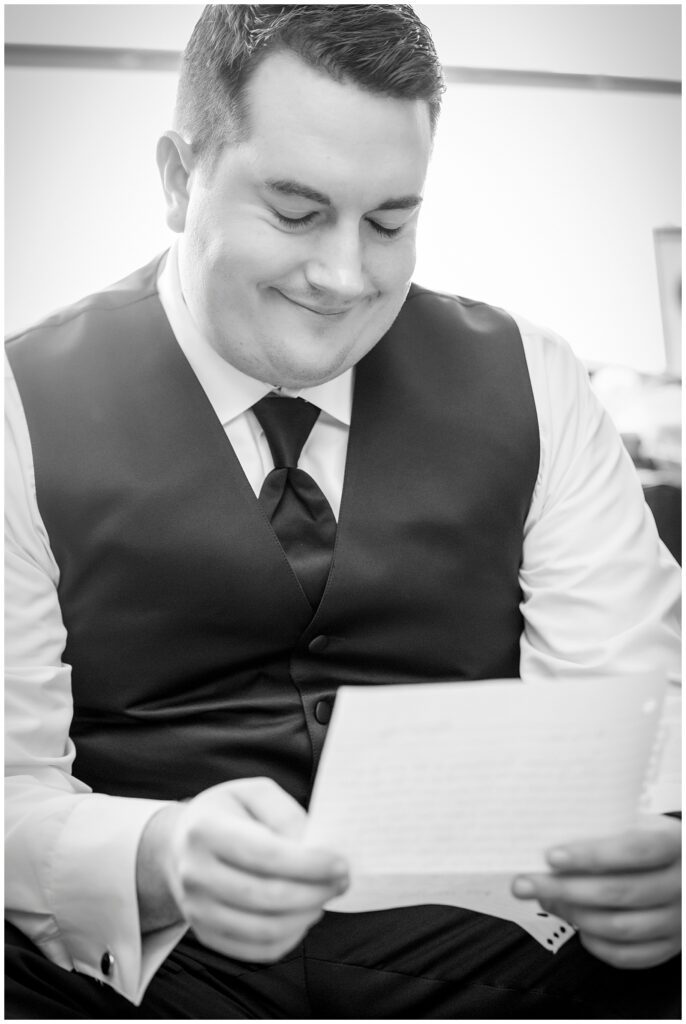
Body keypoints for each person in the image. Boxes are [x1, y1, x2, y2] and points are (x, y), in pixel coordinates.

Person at [5, 5, 681, 1019]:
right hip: (136, 975)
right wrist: (156, 852)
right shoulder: (17, 409)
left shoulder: (536, 380)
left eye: (389, 221)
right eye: (295, 211)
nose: (345, 275)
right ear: (178, 180)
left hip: (511, 975)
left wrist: (659, 856)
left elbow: (634, 718)